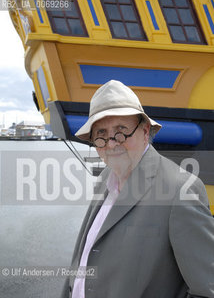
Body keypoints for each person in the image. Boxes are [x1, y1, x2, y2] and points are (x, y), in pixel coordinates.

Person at [61, 79, 214, 298]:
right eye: (101, 134)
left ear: (145, 131)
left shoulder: (181, 190)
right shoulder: (106, 177)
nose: (112, 143)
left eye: (121, 130)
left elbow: (207, 290)